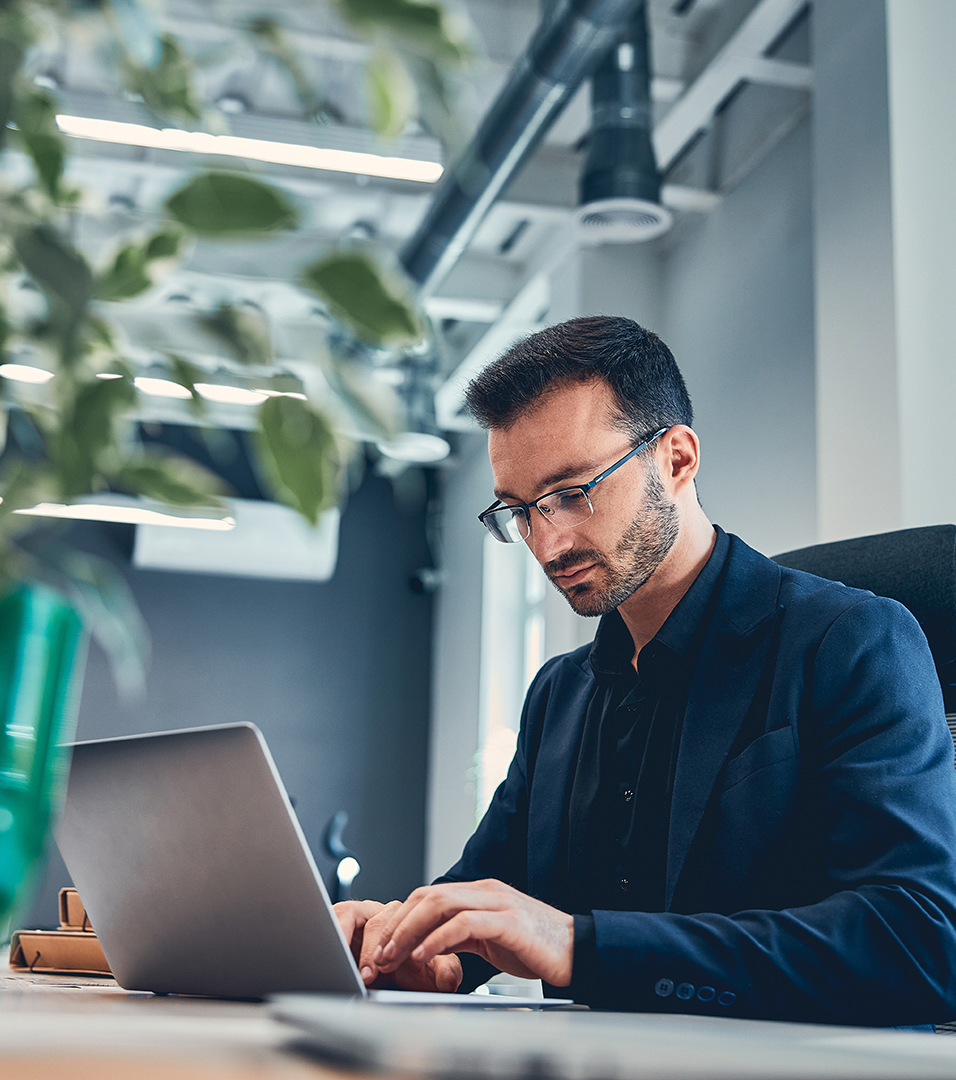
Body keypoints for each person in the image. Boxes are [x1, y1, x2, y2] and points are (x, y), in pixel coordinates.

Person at [335, 315, 956, 1026]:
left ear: (677, 460)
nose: (549, 541)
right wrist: (408, 946)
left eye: (572, 492)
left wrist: (581, 946)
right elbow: (489, 903)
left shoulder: (851, 642)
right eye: (519, 511)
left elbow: (917, 943)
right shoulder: (560, 695)